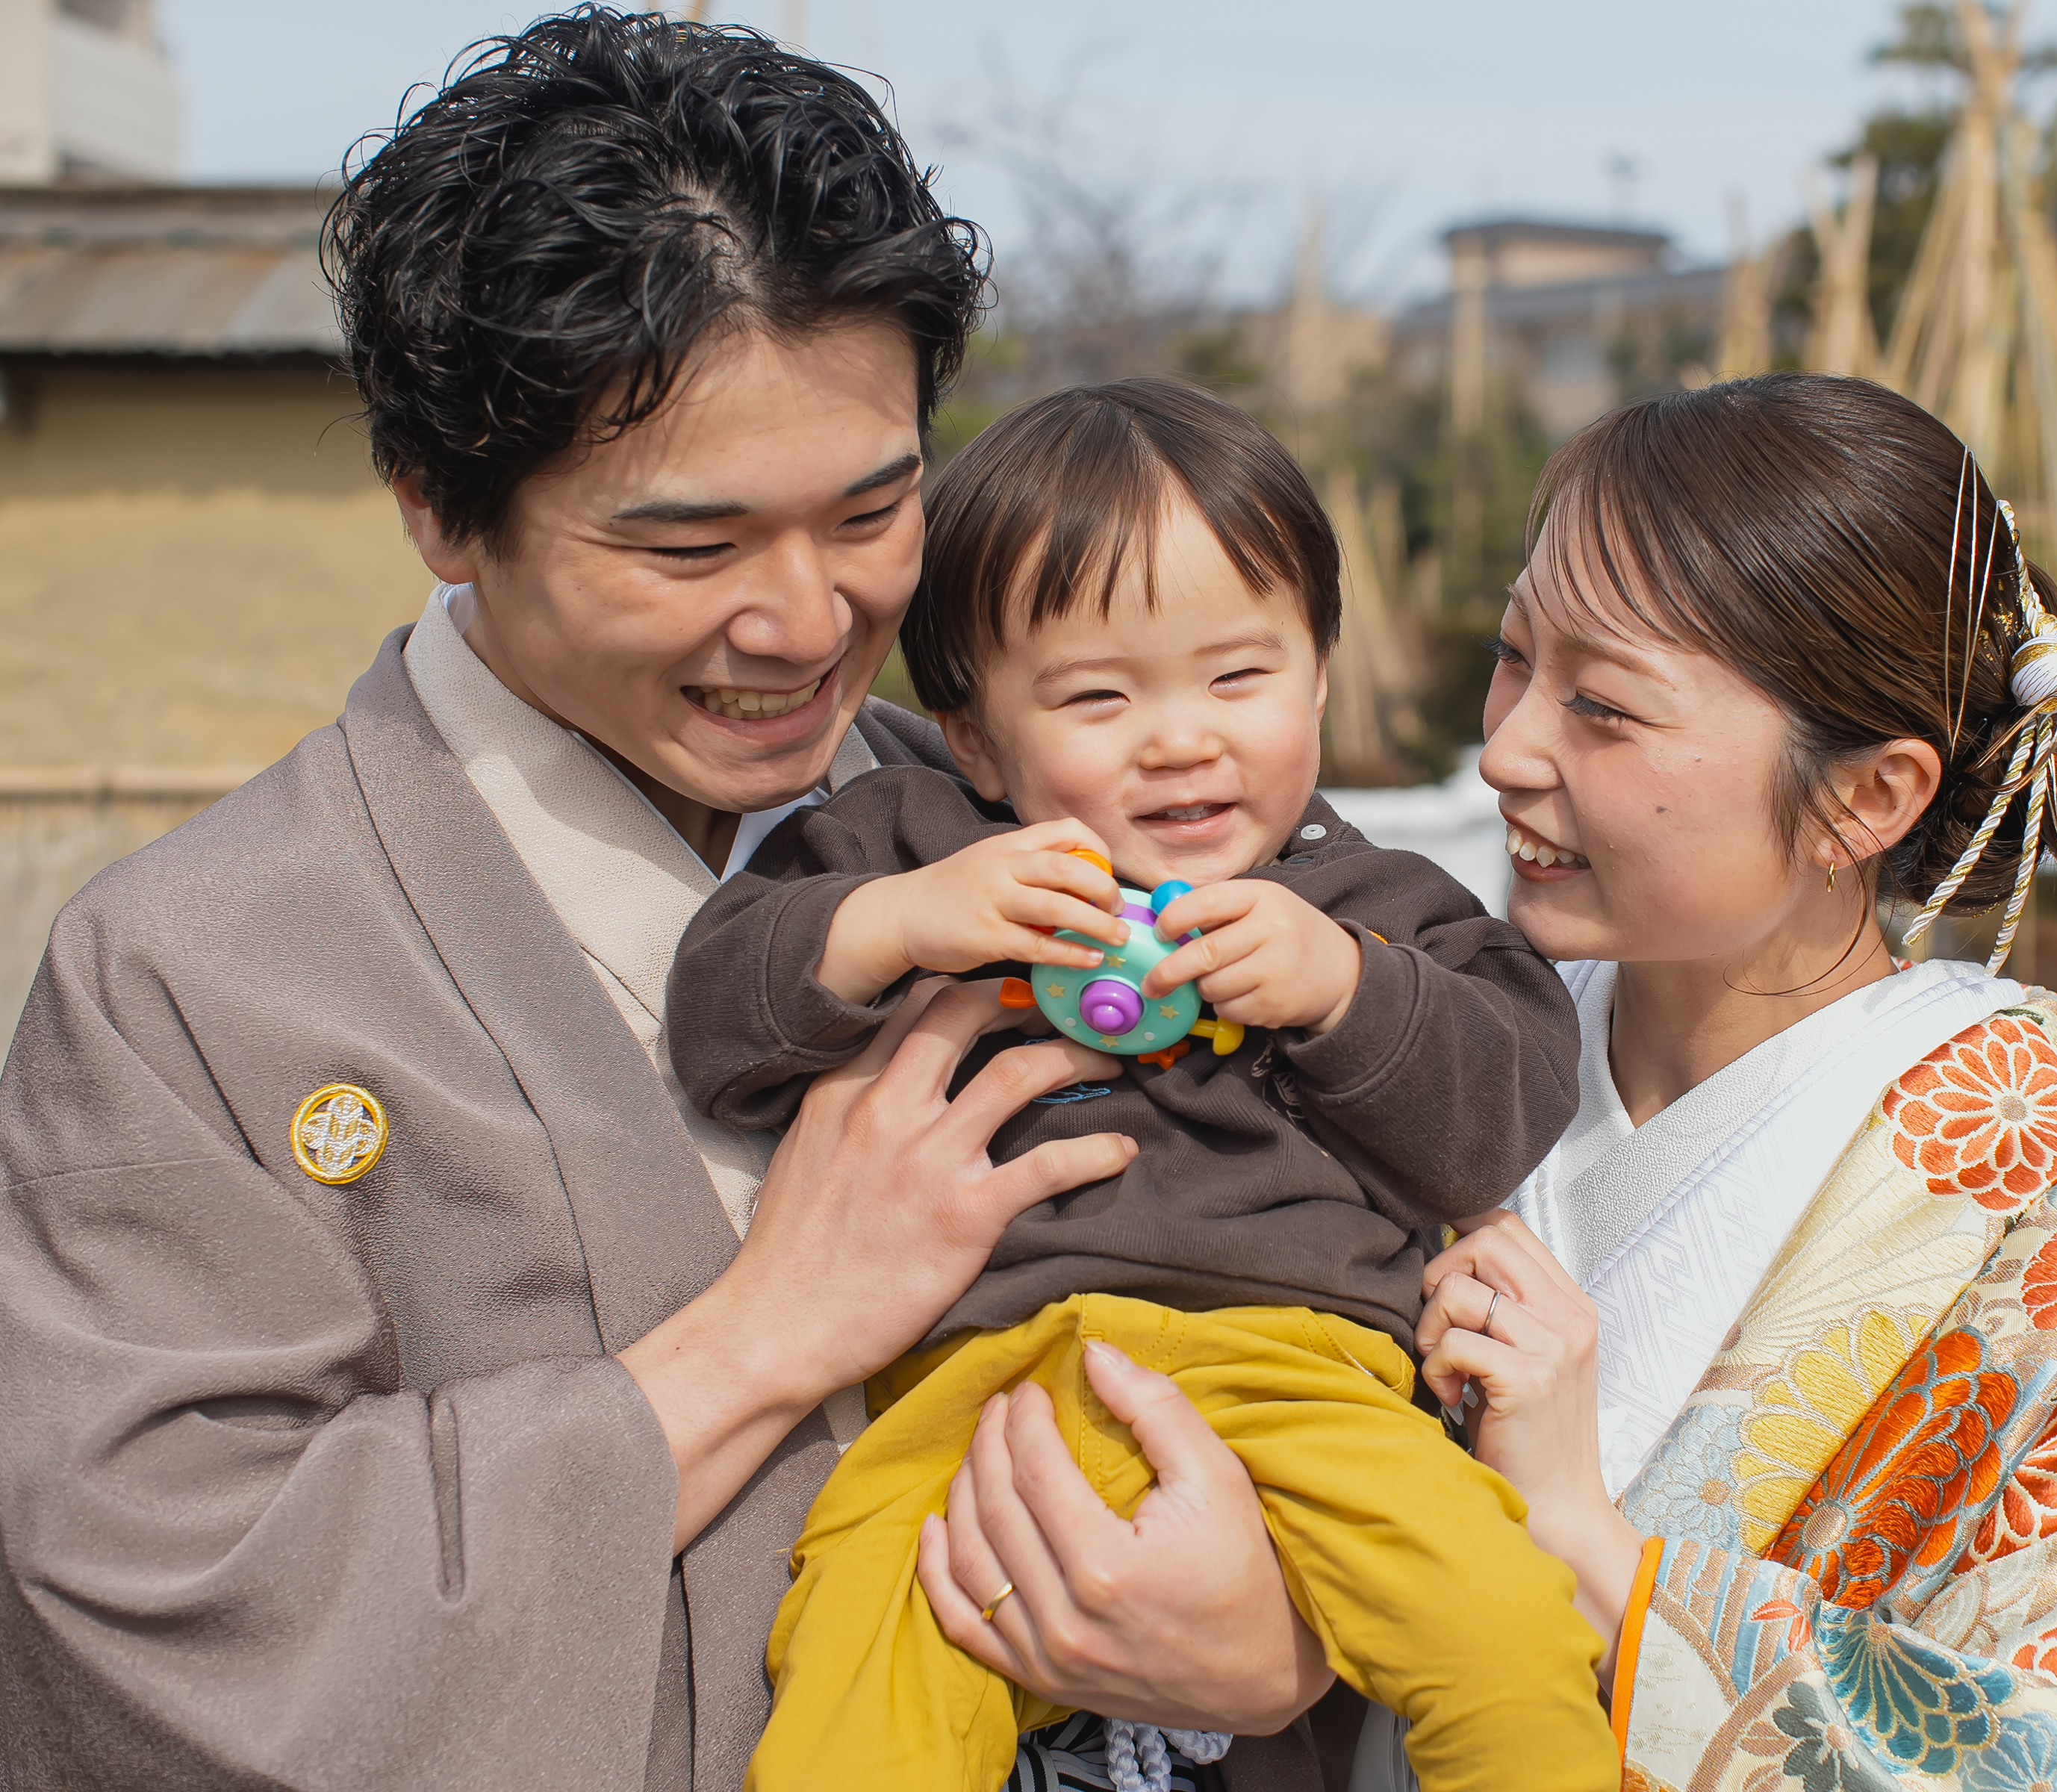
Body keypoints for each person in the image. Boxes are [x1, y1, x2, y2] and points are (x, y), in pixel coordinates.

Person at [0, 15, 1337, 1789]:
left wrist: (1285, 1641)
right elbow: (156, 1603)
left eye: (871, 511)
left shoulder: (1047, 831)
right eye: (688, 547)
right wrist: (764, 1338)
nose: (805, 622)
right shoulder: (197, 974)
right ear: (440, 507)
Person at [1347, 374, 2057, 1788]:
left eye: (1604, 708)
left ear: (1867, 798)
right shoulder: (1429, 1034)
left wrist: (1595, 1558)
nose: (1504, 749)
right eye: (1515, 656)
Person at [665, 376, 1614, 1792]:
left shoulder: (1377, 906)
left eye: (1238, 679)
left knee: (1503, 1631)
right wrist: (897, 923)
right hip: (966, 1405)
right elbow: (714, 1018)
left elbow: (1497, 1124)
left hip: (1303, 1384)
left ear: (1317, 679)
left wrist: (1345, 990)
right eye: (1099, 696)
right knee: (846, 1704)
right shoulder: (918, 842)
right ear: (975, 735)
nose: (1180, 738)